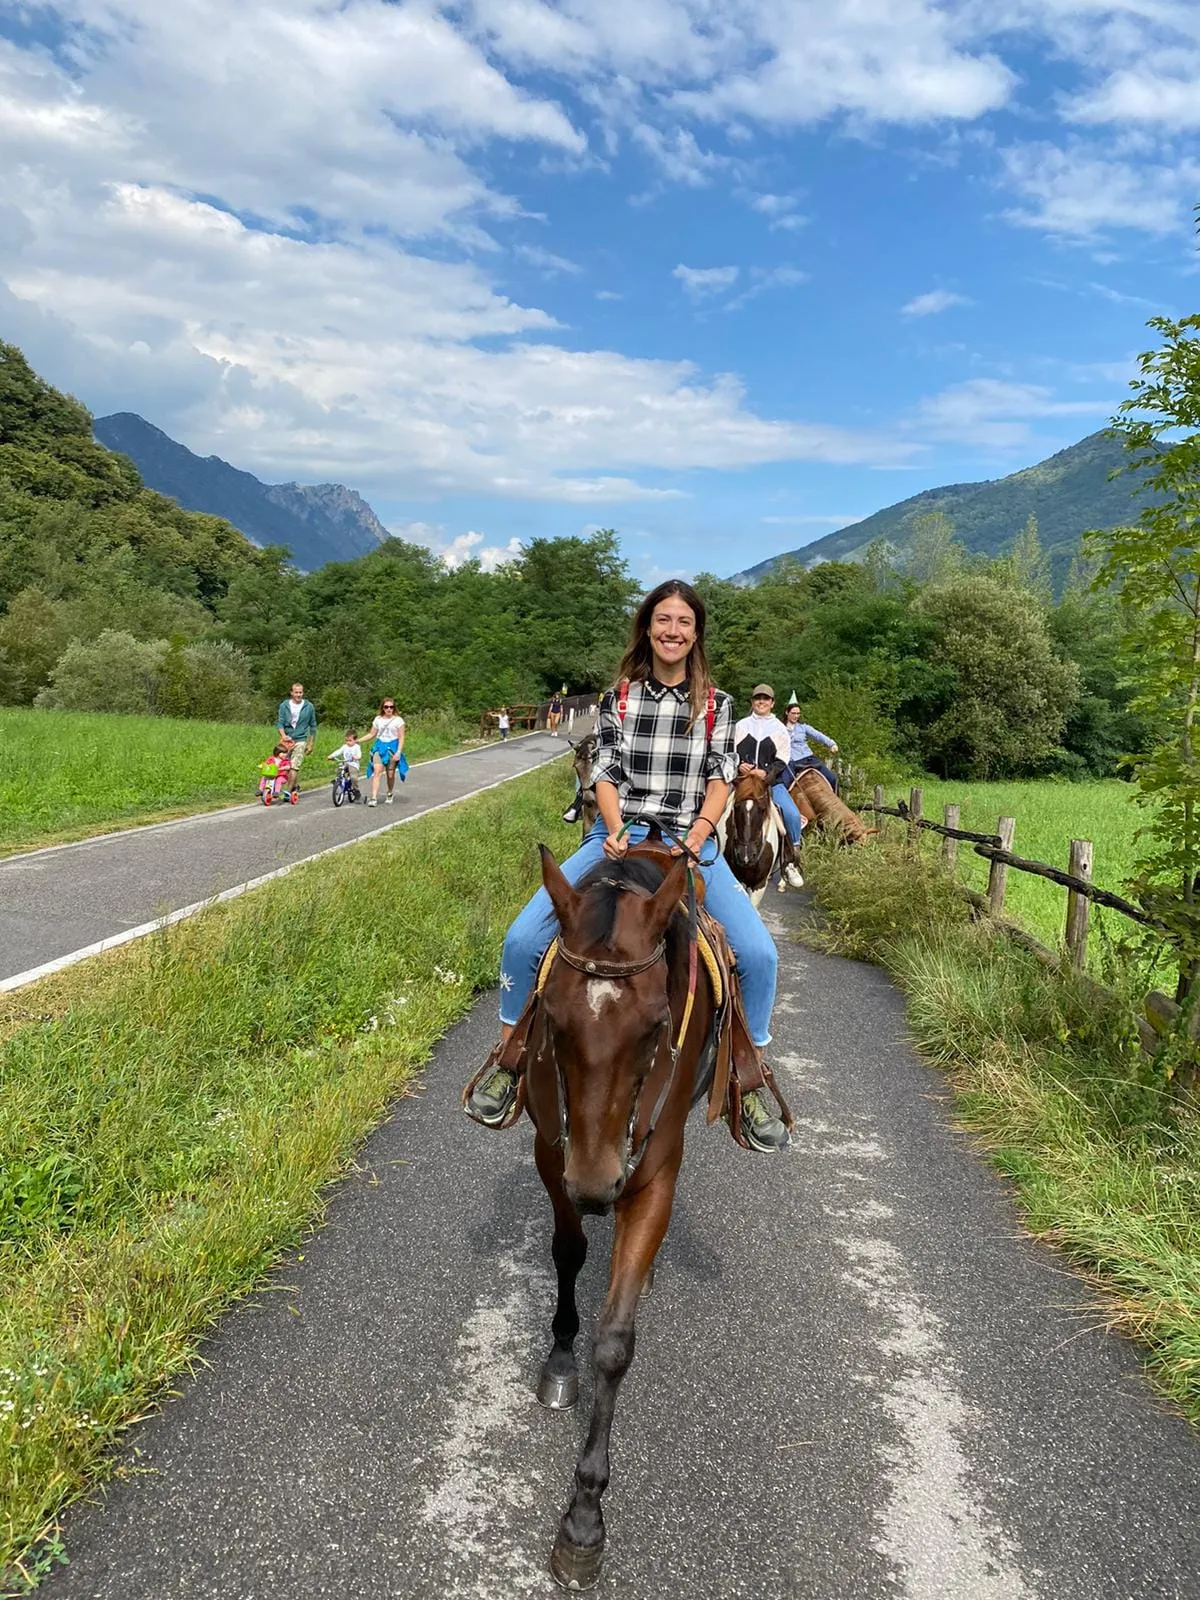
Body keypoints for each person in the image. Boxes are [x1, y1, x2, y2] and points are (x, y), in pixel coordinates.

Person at [467, 578, 788, 1152]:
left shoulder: (717, 703)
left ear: (696, 634)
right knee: (522, 938)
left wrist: (697, 837)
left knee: (759, 955)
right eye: (663, 620)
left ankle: (750, 1076)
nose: (673, 631)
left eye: (684, 622)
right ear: (648, 627)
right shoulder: (619, 696)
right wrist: (614, 828)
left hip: (693, 841)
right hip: (619, 835)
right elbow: (606, 772)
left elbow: (720, 778)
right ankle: (510, 1057)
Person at [733, 686, 805, 889]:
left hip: (770, 783)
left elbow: (783, 757)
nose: (761, 702)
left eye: (766, 699)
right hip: (742, 781)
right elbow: (731, 751)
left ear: (773, 703)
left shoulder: (779, 728)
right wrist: (739, 764)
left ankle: (790, 862)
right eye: (758, 698)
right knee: (717, 809)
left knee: (790, 814)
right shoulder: (740, 726)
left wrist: (767, 774)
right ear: (752, 702)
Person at [784, 695, 840, 793]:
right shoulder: (780, 728)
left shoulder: (803, 727)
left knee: (833, 778)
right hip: (791, 761)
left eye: (798, 713)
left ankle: (836, 802)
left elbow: (818, 735)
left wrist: (831, 744)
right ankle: (780, 806)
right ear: (786, 712)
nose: (796, 716)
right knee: (784, 784)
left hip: (808, 758)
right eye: (793, 713)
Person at [275, 681, 317, 800]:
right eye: (296, 692)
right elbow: (280, 723)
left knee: (294, 765)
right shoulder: (284, 705)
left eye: (300, 692)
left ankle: (288, 792)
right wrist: (283, 735)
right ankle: (295, 786)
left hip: (301, 739)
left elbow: (313, 726)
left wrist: (310, 743)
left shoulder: (308, 706)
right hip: (287, 739)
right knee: (284, 763)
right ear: (291, 693)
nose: (298, 695)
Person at [365, 698, 406, 807]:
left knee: (390, 774)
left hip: (392, 747)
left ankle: (390, 792)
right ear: (382, 708)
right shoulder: (378, 719)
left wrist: (398, 752)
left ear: (394, 708)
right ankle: (373, 798)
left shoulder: (398, 720)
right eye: (386, 707)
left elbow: (401, 737)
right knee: (377, 771)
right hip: (380, 747)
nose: (389, 709)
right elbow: (371, 734)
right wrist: (358, 740)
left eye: (391, 707)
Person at [326, 729, 363, 801]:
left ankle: (356, 790)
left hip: (353, 764)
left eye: (350, 740)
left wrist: (356, 757)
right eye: (346, 740)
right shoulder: (344, 746)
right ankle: (337, 781)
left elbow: (359, 755)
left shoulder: (356, 747)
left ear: (355, 740)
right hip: (346, 762)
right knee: (340, 768)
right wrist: (331, 756)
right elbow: (338, 751)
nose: (348, 742)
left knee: (353, 777)